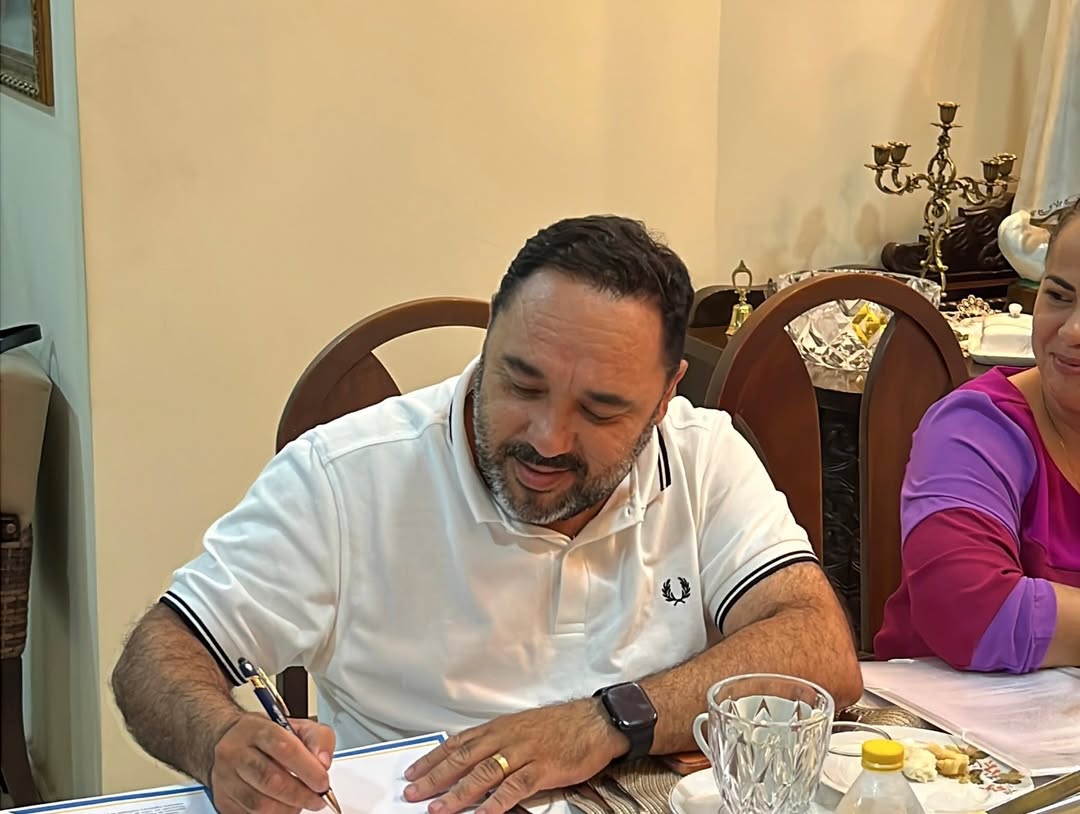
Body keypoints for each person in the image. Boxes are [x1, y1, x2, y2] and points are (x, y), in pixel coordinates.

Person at [112, 215, 861, 814]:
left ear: (666, 397)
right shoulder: (345, 476)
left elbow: (819, 648)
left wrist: (604, 721)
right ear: (489, 344)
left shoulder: (703, 455)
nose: (547, 438)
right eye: (521, 385)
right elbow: (159, 653)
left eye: (601, 409)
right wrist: (219, 740)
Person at [875, 202, 1080, 673]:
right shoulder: (975, 428)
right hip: (935, 716)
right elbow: (970, 612)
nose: (1072, 330)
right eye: (1058, 296)